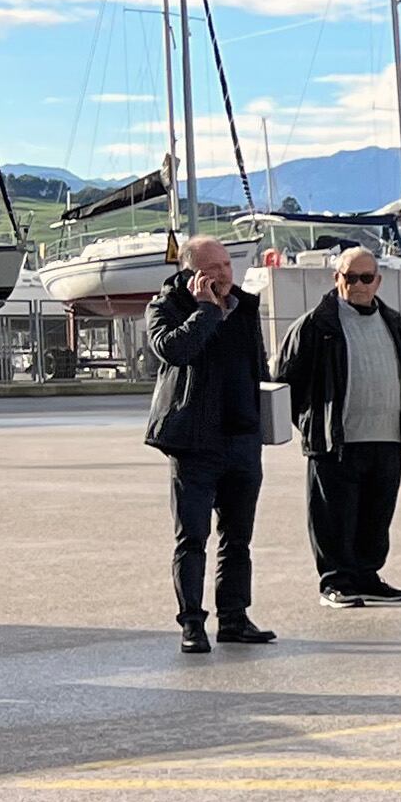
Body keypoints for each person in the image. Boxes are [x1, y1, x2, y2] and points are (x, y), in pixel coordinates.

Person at [145, 234, 274, 654]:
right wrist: (204, 311)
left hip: (242, 438)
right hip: (195, 443)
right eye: (213, 267)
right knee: (192, 538)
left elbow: (257, 365)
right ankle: (192, 624)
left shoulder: (245, 305)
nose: (224, 274)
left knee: (238, 538)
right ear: (191, 273)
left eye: (227, 265)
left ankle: (235, 618)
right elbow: (173, 351)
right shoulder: (166, 307)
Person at [279, 243, 401, 606]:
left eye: (366, 278)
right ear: (337, 279)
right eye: (350, 277)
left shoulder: (391, 320)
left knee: (377, 515)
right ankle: (336, 581)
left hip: (387, 437)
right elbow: (285, 380)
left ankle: (367, 575)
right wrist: (314, 422)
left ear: (377, 281)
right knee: (333, 516)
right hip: (337, 440)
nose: (358, 285)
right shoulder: (316, 324)